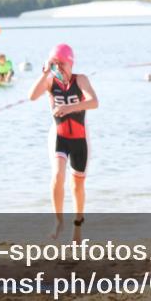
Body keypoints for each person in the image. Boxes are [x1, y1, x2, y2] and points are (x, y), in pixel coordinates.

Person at [29, 43, 99, 238]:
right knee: (58, 175)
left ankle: (77, 224)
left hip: (80, 139)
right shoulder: (50, 81)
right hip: (59, 136)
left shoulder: (81, 80)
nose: (58, 68)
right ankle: (58, 221)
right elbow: (32, 96)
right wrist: (44, 74)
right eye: (54, 64)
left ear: (70, 64)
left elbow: (94, 102)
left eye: (62, 64)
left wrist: (69, 108)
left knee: (77, 185)